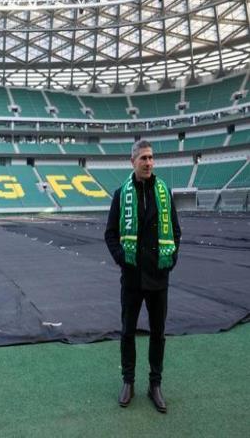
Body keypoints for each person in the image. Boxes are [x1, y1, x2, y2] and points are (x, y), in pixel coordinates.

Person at [104, 139, 181, 413]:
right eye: (143, 158)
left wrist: (170, 260)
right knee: (128, 332)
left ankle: (155, 384)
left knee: (158, 333)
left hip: (159, 278)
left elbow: (176, 231)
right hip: (133, 279)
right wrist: (122, 259)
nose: (149, 163)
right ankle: (128, 381)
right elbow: (110, 234)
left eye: (151, 158)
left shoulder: (165, 192)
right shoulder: (120, 194)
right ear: (133, 162)